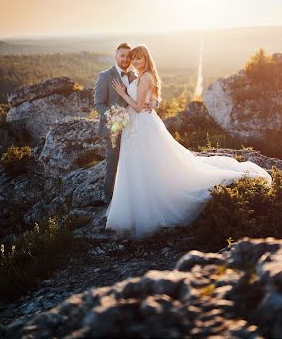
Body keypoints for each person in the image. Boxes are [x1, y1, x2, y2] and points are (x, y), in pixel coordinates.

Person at [105, 44, 272, 239]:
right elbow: (153, 100)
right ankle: (135, 208)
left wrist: (123, 93)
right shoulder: (142, 76)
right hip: (137, 126)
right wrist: (152, 102)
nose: (135, 61)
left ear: (147, 59)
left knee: (147, 166)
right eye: (133, 58)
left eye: (139, 58)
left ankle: (148, 207)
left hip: (141, 126)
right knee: (140, 165)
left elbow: (138, 106)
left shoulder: (145, 77)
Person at [94, 42, 159, 205]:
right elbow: (99, 104)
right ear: (115, 56)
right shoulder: (105, 76)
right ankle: (109, 201)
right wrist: (112, 117)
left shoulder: (134, 76)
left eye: (128, 56)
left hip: (134, 127)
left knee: (133, 163)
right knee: (113, 163)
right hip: (114, 128)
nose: (126, 59)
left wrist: (155, 103)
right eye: (122, 55)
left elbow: (149, 93)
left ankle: (131, 198)